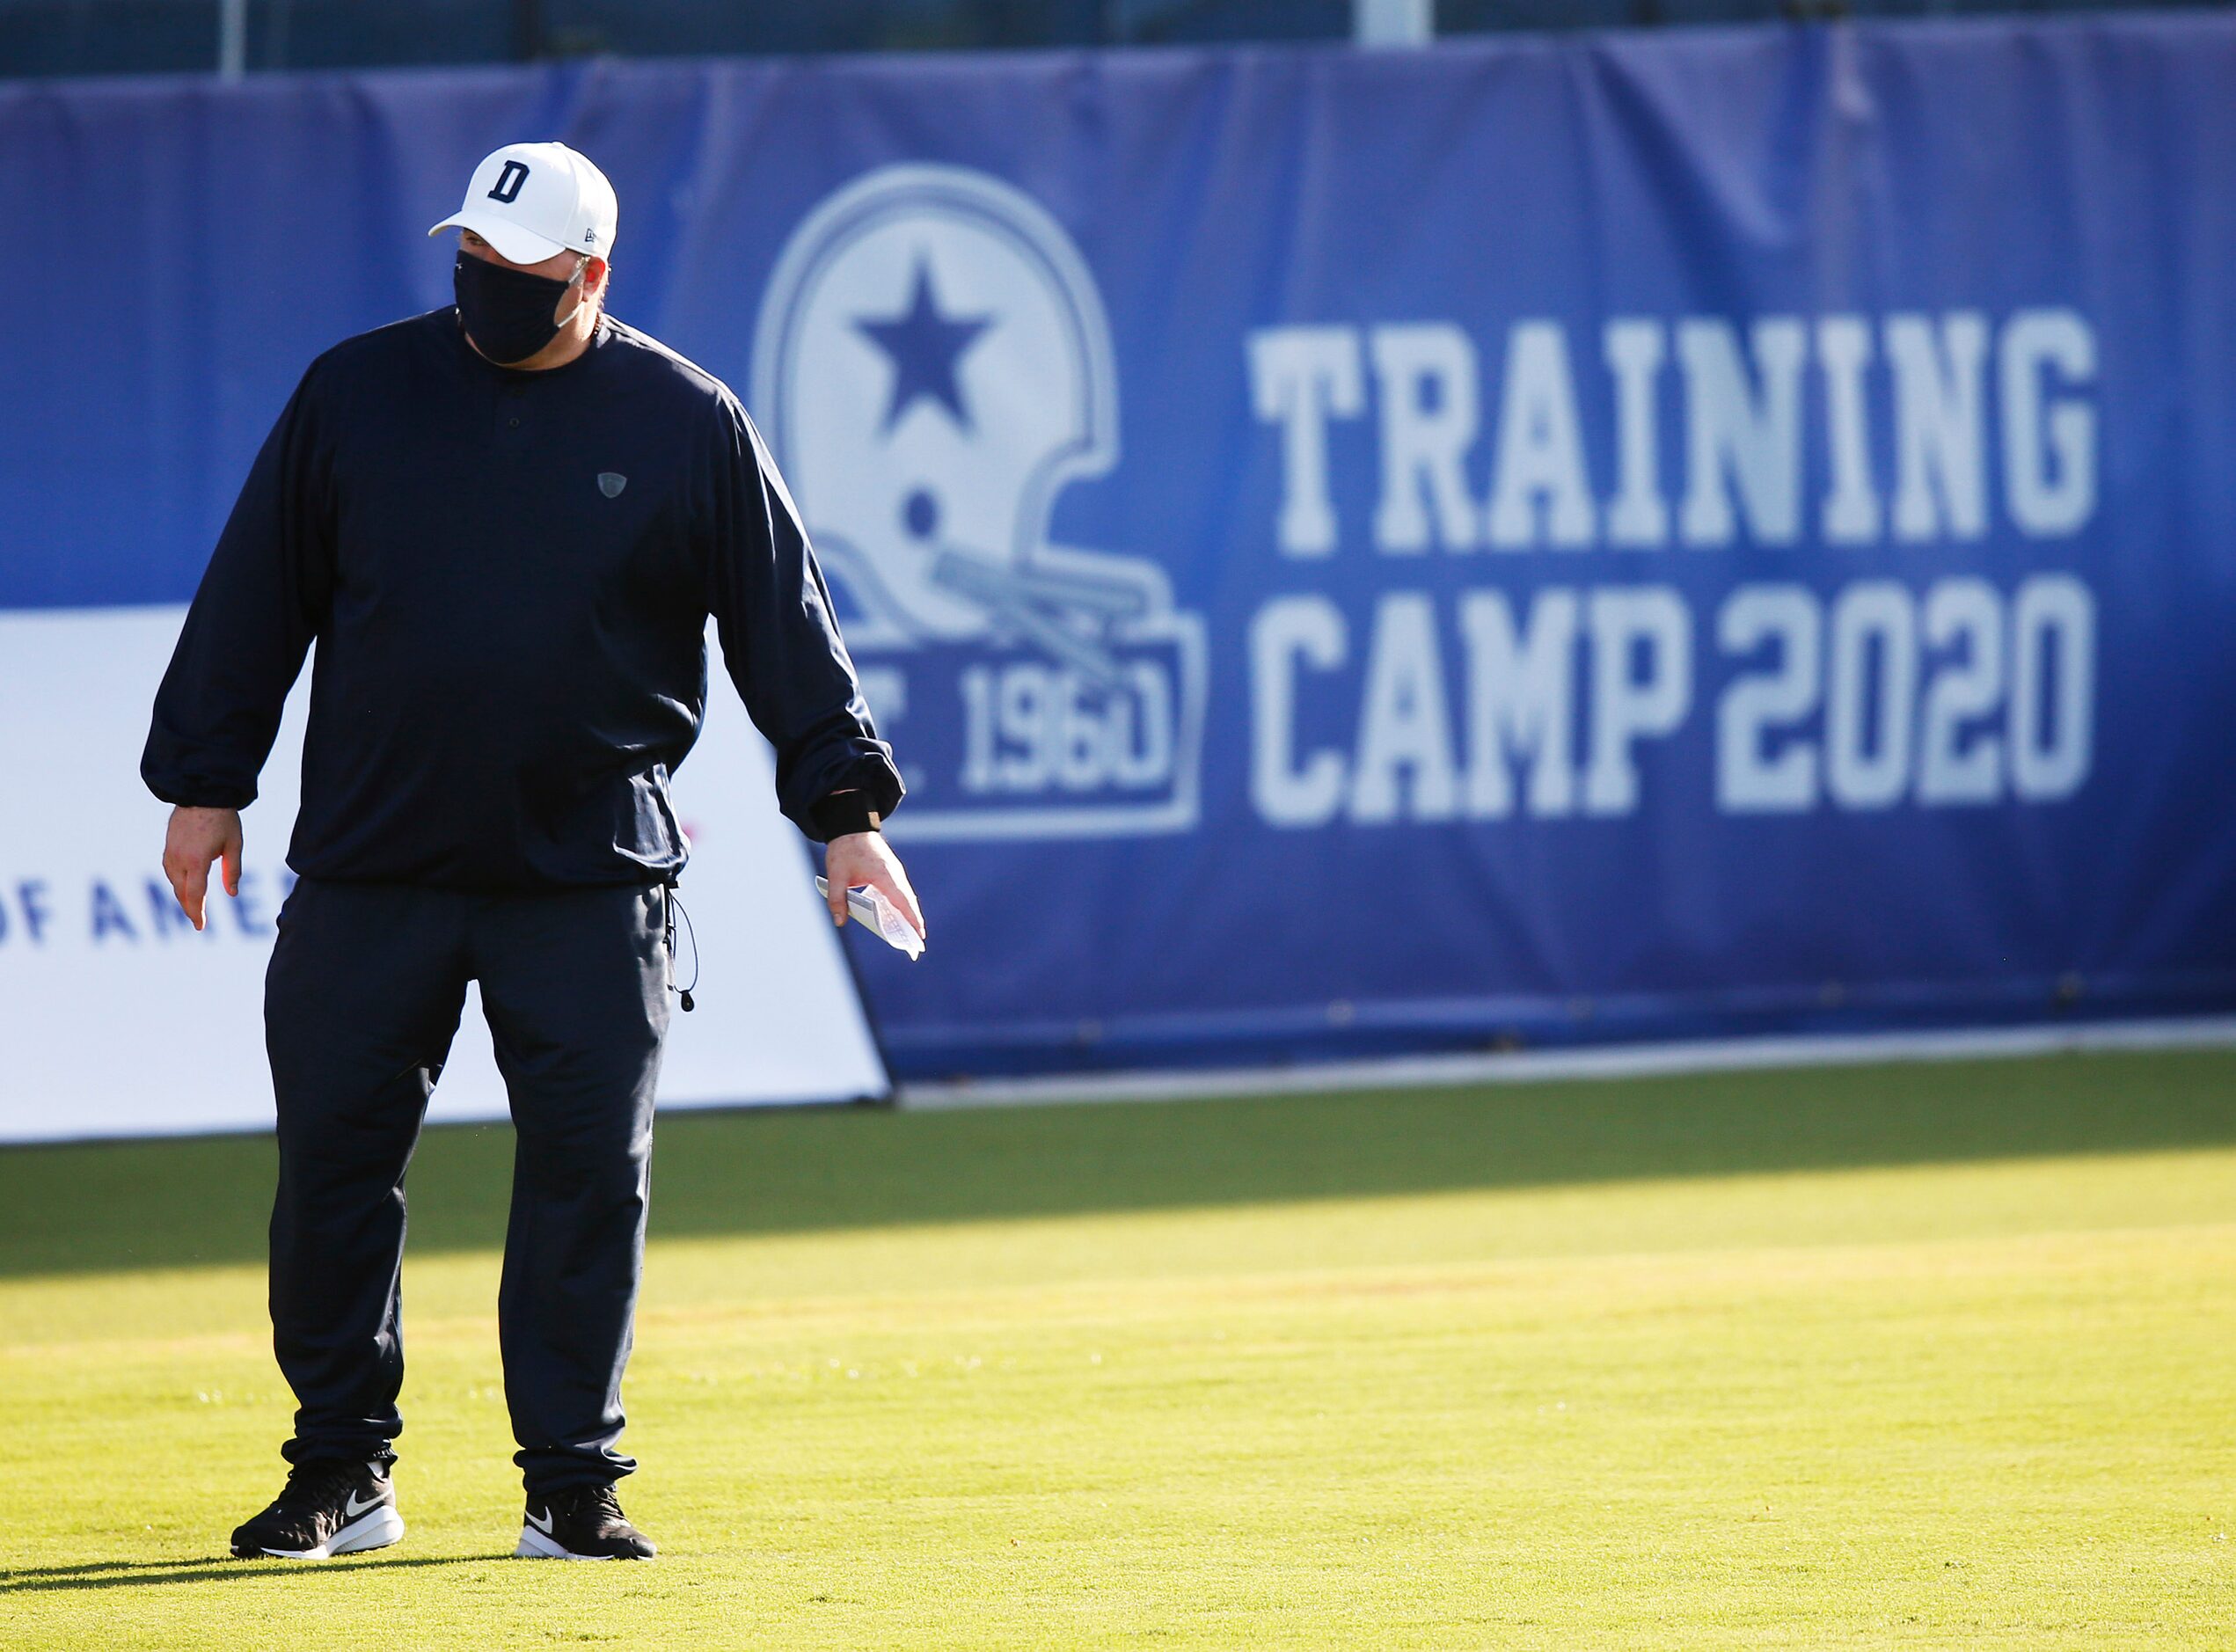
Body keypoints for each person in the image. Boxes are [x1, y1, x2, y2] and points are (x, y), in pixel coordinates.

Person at [142, 141, 922, 1562]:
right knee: (331, 1168)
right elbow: (256, 589)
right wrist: (206, 782)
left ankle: (569, 1477)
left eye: (522, 274)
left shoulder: (688, 420)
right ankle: (340, 1471)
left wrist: (847, 811)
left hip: (591, 876)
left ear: (592, 274)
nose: (487, 291)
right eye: (473, 264)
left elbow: (784, 635)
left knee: (585, 1178)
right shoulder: (356, 393)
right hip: (375, 863)